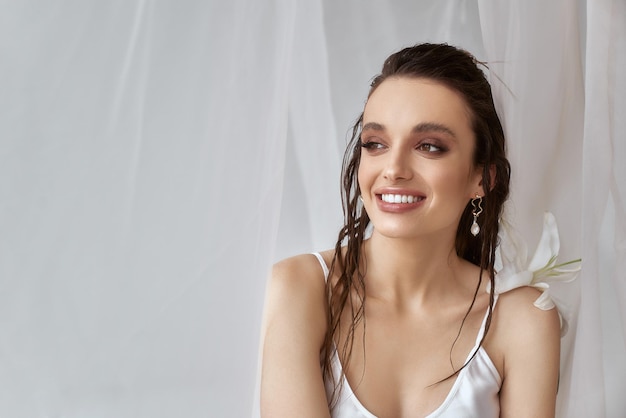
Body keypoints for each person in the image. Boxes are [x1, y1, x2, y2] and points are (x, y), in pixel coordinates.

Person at [260, 43, 561, 417]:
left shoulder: (521, 319)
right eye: (375, 144)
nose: (394, 168)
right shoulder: (300, 287)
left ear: (482, 178)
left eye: (430, 147)